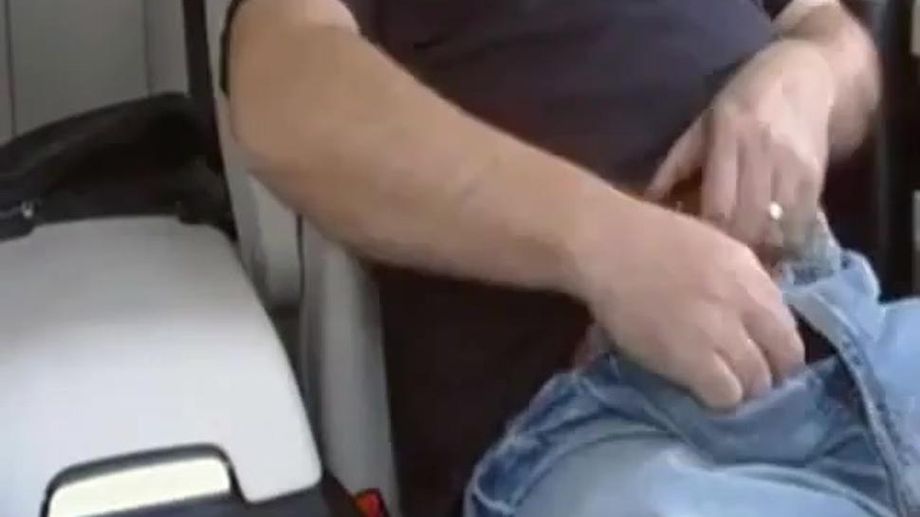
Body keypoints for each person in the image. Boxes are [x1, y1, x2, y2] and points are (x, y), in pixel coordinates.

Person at [222, 0, 879, 515]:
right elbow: (281, 84)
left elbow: (834, 33)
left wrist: (811, 73)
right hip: (600, 417)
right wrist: (607, 244)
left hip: (853, 336)